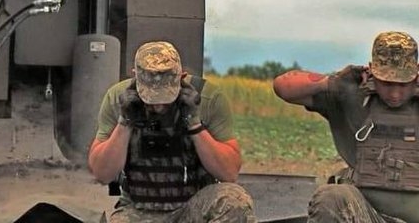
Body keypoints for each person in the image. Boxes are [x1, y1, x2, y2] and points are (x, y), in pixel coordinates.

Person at [88, 40, 254, 223]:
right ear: (135, 77)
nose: (159, 106)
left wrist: (194, 123)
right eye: (150, 97)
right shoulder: (117, 98)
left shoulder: (208, 99)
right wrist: (125, 122)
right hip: (138, 209)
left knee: (235, 201)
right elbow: (102, 174)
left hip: (194, 205)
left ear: (182, 77)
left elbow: (229, 173)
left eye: (166, 97)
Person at [273, 30, 419, 223]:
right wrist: (336, 82)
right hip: (366, 215)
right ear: (371, 71)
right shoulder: (353, 95)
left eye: (403, 84)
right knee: (331, 197)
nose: (394, 94)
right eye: (386, 83)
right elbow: (283, 87)